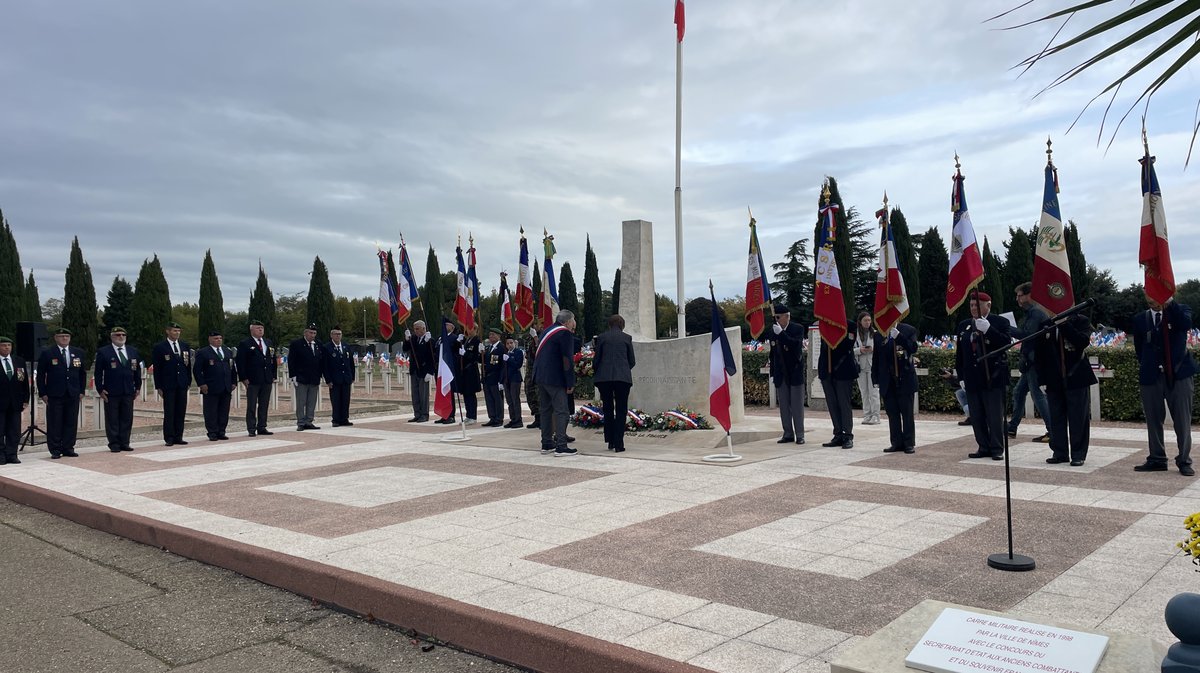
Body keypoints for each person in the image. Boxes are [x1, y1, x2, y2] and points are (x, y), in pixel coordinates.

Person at [1132, 295, 1196, 476]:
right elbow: (1139, 349)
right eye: (1148, 293)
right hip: (1151, 376)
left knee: (1182, 420)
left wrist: (1169, 303)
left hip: (1179, 374)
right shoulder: (1140, 319)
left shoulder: (1180, 310)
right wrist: (1150, 364)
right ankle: (1157, 458)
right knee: (1153, 419)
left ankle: (1184, 460)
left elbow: (1185, 324)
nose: (1152, 298)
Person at [955, 292, 1011, 460]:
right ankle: (983, 446)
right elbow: (960, 353)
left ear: (988, 305)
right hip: (972, 377)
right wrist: (961, 376)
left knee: (994, 416)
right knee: (977, 416)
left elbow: (1005, 342)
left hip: (992, 376)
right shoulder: (964, 325)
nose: (973, 308)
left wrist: (988, 330)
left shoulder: (1000, 322)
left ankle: (996, 448)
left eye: (977, 305)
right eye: (971, 305)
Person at [1034, 313, 1096, 467]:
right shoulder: (1046, 324)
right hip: (1053, 379)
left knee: (1078, 418)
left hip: (1076, 376)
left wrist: (1064, 324)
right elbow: (1039, 354)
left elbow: (1081, 341)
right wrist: (1041, 379)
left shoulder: (1080, 320)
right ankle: (1060, 452)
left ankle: (1078, 454)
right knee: (1056, 417)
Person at [1007, 282, 1052, 442]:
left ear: (1029, 295)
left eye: (1020, 295)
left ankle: (1053, 431)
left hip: (1034, 360)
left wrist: (1007, 327)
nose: (1017, 299)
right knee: (1019, 392)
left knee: (1037, 395)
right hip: (1030, 360)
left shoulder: (1036, 313)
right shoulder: (1032, 313)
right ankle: (1011, 428)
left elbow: (1027, 335)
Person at [533, 310, 577, 456]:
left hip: (541, 376)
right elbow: (567, 359)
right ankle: (561, 445)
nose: (574, 324)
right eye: (573, 320)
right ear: (568, 322)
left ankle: (546, 443)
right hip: (555, 378)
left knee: (545, 411)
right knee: (561, 411)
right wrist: (570, 382)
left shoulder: (547, 330)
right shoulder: (564, 333)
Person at [36, 327, 84, 459]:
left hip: (72, 392)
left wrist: (81, 391)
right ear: (56, 338)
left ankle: (68, 447)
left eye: (67, 336)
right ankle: (55, 449)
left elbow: (82, 373)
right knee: (55, 422)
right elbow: (40, 375)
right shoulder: (48, 353)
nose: (64, 338)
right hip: (55, 393)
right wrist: (43, 393)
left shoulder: (77, 352)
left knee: (71, 422)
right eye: (61, 336)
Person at [762, 304, 806, 445]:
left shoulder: (797, 329)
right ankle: (787, 433)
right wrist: (773, 371)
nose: (776, 320)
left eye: (779, 317)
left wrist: (781, 334)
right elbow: (773, 353)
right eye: (775, 317)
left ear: (787, 316)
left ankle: (800, 434)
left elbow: (795, 345)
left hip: (794, 371)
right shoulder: (773, 331)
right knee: (784, 406)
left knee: (797, 405)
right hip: (781, 372)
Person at [93, 326, 141, 452]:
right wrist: (100, 388)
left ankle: (125, 442)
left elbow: (136, 370)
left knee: (127, 417)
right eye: (118, 335)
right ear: (112, 337)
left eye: (123, 335)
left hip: (128, 390)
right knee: (112, 418)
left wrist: (138, 386)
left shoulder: (132, 351)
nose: (121, 337)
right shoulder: (104, 352)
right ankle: (114, 443)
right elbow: (98, 372)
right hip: (111, 390)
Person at [593, 314, 635, 452]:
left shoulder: (601, 338)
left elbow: (596, 360)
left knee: (608, 408)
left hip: (604, 378)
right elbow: (632, 361)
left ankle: (610, 440)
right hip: (622, 378)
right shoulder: (627, 338)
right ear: (622, 325)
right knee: (621, 409)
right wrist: (622, 369)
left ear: (609, 325)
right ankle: (619, 443)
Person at [874, 322, 918, 453]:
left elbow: (913, 348)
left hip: (904, 378)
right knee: (892, 413)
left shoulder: (908, 330)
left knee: (907, 413)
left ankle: (909, 443)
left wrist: (899, 337)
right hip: (887, 380)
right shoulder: (879, 334)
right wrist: (875, 378)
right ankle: (896, 442)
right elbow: (876, 358)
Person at [152, 321, 192, 447]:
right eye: (174, 331)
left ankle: (178, 436)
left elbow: (187, 365)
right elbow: (157, 368)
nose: (177, 333)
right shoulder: (160, 347)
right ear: (168, 331)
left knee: (181, 411)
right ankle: (169, 437)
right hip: (168, 384)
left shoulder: (184, 346)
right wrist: (158, 386)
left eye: (179, 331)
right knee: (170, 411)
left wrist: (189, 380)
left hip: (182, 383)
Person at [193, 330, 236, 441]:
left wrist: (234, 382)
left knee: (224, 410)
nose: (218, 340)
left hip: (226, 386)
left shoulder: (227, 351)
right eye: (216, 338)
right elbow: (197, 370)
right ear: (210, 339)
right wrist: (201, 384)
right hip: (211, 386)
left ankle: (221, 431)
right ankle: (212, 432)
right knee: (211, 411)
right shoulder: (203, 352)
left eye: (220, 338)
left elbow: (232, 368)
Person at [818, 329, 857, 449]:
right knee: (832, 404)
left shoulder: (849, 325)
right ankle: (838, 433)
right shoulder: (825, 324)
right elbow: (823, 349)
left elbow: (847, 346)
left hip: (843, 371)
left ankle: (847, 435)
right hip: (827, 372)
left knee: (843, 404)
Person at [236, 320, 276, 437]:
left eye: (262, 328)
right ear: (251, 330)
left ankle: (262, 426)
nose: (260, 330)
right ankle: (251, 428)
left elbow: (272, 360)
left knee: (264, 404)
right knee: (252, 405)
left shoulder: (268, 342)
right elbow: (241, 362)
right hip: (253, 379)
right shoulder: (245, 343)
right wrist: (244, 378)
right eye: (258, 328)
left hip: (266, 378)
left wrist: (273, 375)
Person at [0, 336, 30, 465]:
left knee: (14, 430)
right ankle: (1, 455)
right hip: (0, 402)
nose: (7, 347)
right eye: (4, 345)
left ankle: (12, 454)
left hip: (15, 402)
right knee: (0, 430)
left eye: (9, 345)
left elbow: (23, 381)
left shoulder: (18, 361)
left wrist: (25, 399)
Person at [288, 323, 323, 431]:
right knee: (301, 401)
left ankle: (309, 421)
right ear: (305, 333)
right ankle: (301, 422)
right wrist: (293, 375)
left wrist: (321, 374)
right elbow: (291, 360)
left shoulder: (318, 344)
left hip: (314, 378)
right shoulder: (296, 344)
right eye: (311, 333)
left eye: (314, 333)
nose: (313, 335)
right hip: (301, 377)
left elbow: (321, 360)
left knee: (312, 402)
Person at [402, 321, 435, 423]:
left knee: (423, 394)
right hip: (414, 370)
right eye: (414, 329)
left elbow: (432, 357)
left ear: (423, 329)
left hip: (424, 371)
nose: (415, 331)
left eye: (417, 329)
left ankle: (424, 414)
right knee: (415, 394)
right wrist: (407, 340)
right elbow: (406, 349)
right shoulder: (414, 339)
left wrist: (430, 371)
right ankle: (417, 414)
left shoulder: (430, 340)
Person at [322, 326, 355, 427]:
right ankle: (335, 419)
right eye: (336, 334)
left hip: (346, 378)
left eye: (339, 334)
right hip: (334, 379)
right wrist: (328, 379)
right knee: (336, 400)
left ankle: (344, 418)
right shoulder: (327, 347)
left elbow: (351, 363)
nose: (338, 336)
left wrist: (352, 376)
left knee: (345, 399)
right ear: (331, 335)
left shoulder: (346, 346)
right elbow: (325, 365)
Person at [853, 311, 880, 425]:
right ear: (860, 321)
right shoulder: (855, 334)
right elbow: (850, 350)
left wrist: (873, 349)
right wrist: (860, 350)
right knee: (864, 392)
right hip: (861, 366)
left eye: (869, 320)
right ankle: (867, 415)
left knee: (874, 392)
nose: (868, 322)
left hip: (872, 365)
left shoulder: (875, 333)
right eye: (865, 320)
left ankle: (876, 415)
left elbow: (881, 348)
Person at [457, 326, 483, 424]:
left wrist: (466, 354)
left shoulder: (477, 341)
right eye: (468, 328)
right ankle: (468, 415)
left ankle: (473, 416)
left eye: (470, 328)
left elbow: (475, 357)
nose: (468, 330)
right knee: (466, 394)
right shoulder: (467, 340)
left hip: (471, 370)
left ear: (476, 329)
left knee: (471, 394)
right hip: (465, 371)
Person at [481, 326, 507, 427]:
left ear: (498, 336)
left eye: (493, 334)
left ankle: (499, 418)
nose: (491, 336)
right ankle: (492, 417)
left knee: (497, 399)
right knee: (489, 399)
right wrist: (481, 353)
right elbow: (485, 362)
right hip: (488, 377)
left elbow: (501, 365)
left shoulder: (501, 347)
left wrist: (501, 380)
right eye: (490, 335)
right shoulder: (489, 347)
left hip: (496, 377)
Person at [501, 335, 524, 428]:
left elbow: (518, 365)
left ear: (514, 343)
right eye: (507, 343)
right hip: (507, 379)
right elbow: (503, 368)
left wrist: (509, 359)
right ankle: (513, 419)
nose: (509, 345)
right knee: (509, 401)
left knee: (515, 400)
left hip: (515, 379)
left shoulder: (518, 352)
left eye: (511, 343)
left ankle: (518, 420)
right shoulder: (506, 353)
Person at [523, 328, 541, 428]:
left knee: (539, 395)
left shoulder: (542, 336)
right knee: (530, 393)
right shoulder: (529, 338)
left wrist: (535, 338)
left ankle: (543, 419)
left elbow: (539, 351)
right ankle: (537, 418)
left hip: (539, 370)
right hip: (530, 370)